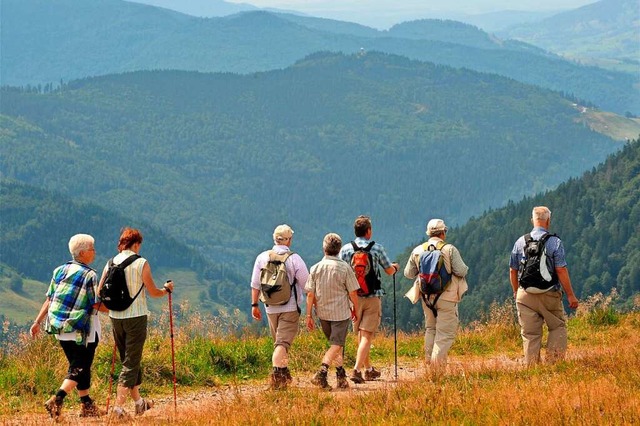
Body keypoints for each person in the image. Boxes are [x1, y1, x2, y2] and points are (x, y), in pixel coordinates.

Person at [98, 227, 174, 418]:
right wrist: (166, 290)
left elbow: (100, 292)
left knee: (129, 360)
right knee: (131, 362)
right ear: (137, 243)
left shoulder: (110, 263)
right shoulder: (141, 263)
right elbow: (153, 292)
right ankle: (117, 409)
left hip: (115, 317)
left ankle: (139, 403)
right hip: (136, 317)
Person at [30, 234, 103, 419]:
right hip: (82, 330)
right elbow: (96, 304)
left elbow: (50, 298)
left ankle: (87, 405)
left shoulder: (60, 271)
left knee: (78, 366)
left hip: (59, 329)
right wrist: (118, 312)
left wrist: (37, 321)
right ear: (83, 252)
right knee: (80, 367)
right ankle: (57, 399)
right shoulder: (90, 275)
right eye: (92, 249)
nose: (95, 252)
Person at [509, 206, 579, 365]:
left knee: (530, 334)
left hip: (525, 294)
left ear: (532, 220)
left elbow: (513, 270)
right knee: (557, 327)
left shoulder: (520, 241)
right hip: (549, 293)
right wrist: (570, 295)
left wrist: (516, 292)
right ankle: (553, 365)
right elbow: (560, 269)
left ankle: (532, 368)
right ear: (548, 221)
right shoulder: (555, 242)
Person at [339, 215, 399, 384]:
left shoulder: (345, 250)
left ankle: (368, 370)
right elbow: (389, 271)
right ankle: (357, 370)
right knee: (366, 335)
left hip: (354, 297)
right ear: (369, 231)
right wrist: (395, 267)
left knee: (359, 333)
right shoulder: (377, 248)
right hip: (372, 297)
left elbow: (342, 272)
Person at [250, 224, 309, 390]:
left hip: (269, 307)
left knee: (279, 342)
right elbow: (306, 284)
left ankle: (284, 374)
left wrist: (255, 305)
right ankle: (276, 378)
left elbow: (255, 284)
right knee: (282, 344)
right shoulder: (294, 259)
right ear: (288, 240)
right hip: (290, 308)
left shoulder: (262, 257)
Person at [403, 219, 469, 367]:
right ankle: (436, 369)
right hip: (447, 296)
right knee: (445, 333)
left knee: (431, 328)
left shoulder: (418, 250)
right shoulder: (449, 249)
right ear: (443, 233)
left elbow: (408, 273)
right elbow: (461, 270)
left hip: (426, 297)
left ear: (428, 233)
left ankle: (429, 361)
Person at [305, 233, 360, 390]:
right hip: (341, 314)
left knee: (337, 345)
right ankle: (321, 373)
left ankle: (341, 378)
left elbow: (310, 293)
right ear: (339, 249)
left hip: (323, 313)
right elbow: (353, 292)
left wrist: (309, 315)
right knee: (336, 344)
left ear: (324, 249)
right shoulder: (344, 268)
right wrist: (355, 308)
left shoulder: (315, 268)